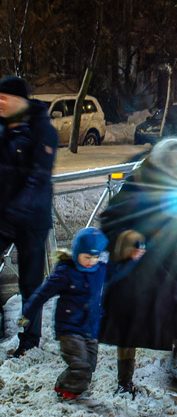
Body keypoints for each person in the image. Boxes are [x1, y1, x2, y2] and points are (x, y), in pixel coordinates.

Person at [99, 138, 177, 395]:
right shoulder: (140, 181)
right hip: (137, 266)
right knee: (128, 324)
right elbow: (111, 218)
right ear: (162, 161)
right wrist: (126, 239)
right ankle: (124, 382)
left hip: (169, 262)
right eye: (174, 162)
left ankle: (173, 372)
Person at [0, 73, 58, 357]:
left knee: (30, 284)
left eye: (4, 98)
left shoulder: (42, 130)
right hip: (4, 216)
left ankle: (29, 341)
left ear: (20, 100)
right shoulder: (2, 129)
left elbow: (38, 178)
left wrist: (18, 208)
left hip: (31, 220)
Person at [18, 228, 108, 400]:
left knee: (90, 365)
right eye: (86, 257)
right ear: (76, 252)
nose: (91, 262)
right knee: (80, 365)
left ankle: (74, 388)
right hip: (69, 328)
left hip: (90, 327)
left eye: (95, 257)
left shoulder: (100, 270)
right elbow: (42, 294)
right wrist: (27, 314)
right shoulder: (65, 273)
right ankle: (64, 388)